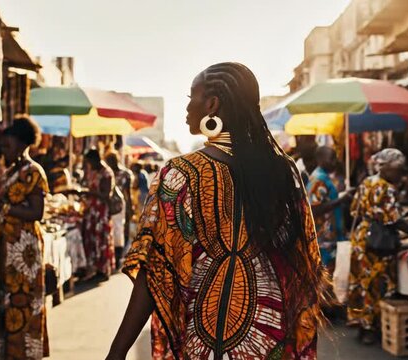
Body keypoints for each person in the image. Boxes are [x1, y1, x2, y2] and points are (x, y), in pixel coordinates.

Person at [106, 62, 329, 359]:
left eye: (191, 98)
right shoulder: (283, 172)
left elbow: (155, 271)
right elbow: (305, 260)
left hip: (210, 342)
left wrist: (118, 350)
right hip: (269, 341)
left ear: (212, 104)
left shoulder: (179, 175)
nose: (187, 108)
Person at [0, 116, 49, 359]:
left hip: (22, 251)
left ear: (22, 143)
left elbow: (36, 212)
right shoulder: (11, 171)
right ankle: (8, 353)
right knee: (7, 301)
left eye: (8, 145)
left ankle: (24, 354)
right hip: (6, 247)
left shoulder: (33, 171)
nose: (4, 149)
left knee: (22, 301)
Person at [348, 148, 408, 345]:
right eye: (398, 170)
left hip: (362, 236)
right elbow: (396, 221)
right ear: (385, 167)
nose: (401, 174)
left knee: (362, 282)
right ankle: (370, 328)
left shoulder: (367, 182)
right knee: (375, 284)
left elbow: (354, 210)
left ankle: (362, 323)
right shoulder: (386, 188)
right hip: (378, 241)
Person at [306, 146, 353, 268]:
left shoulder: (324, 177)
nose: (334, 162)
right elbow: (314, 209)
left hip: (331, 238)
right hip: (324, 240)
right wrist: (340, 200)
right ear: (320, 160)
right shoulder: (318, 180)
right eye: (331, 158)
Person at [76, 149, 115, 280]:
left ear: (95, 160)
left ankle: (103, 270)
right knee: (92, 239)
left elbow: (106, 194)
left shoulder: (106, 173)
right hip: (91, 211)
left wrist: (89, 192)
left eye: (89, 162)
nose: (88, 164)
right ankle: (94, 269)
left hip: (101, 212)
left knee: (101, 239)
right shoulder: (93, 172)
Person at [104, 152, 130, 270]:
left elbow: (127, 193)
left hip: (118, 205)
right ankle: (112, 257)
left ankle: (118, 257)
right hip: (108, 204)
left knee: (118, 230)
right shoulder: (107, 173)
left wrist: (130, 208)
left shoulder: (125, 174)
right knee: (110, 229)